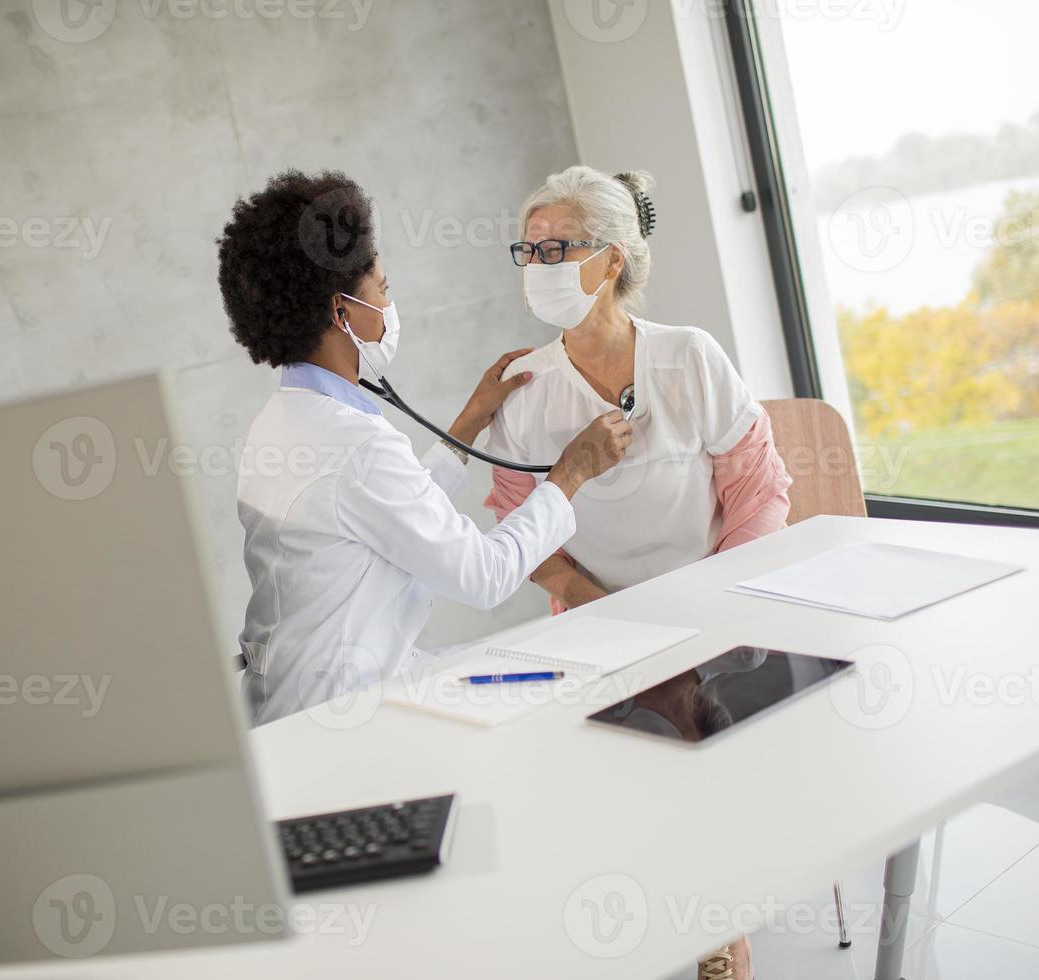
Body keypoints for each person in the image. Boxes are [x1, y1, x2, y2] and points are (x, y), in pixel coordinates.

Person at [482, 165, 793, 980]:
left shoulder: (689, 358)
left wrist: (708, 611)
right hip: (594, 628)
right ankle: (698, 924)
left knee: (703, 740)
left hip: (718, 618)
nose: (538, 265)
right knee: (629, 777)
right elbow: (519, 536)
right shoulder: (526, 391)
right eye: (529, 249)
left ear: (612, 260)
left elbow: (760, 491)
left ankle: (718, 930)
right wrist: (606, 611)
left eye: (560, 248)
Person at [217, 169, 631, 727]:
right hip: (340, 713)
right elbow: (483, 574)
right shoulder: (354, 445)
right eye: (382, 290)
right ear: (343, 312)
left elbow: (387, 517)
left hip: (297, 697)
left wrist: (466, 428)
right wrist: (573, 473)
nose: (390, 304)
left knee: (532, 672)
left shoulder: (283, 422)